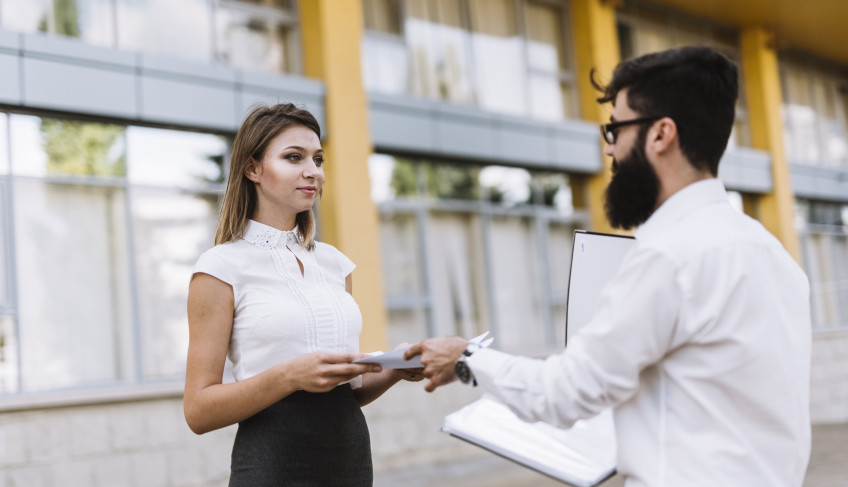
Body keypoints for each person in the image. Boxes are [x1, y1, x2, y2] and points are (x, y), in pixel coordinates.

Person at [405, 46, 812, 487]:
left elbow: (566, 392)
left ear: (661, 134)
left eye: (616, 129)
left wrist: (465, 358)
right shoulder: (775, 257)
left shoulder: (669, 256)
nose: (609, 148)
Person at [184, 103, 420, 487]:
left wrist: (393, 369)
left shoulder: (334, 265)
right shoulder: (219, 269)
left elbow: (346, 393)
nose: (313, 171)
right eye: (294, 157)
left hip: (350, 462)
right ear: (253, 169)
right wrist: (289, 376)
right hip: (273, 465)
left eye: (318, 159)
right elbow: (198, 411)